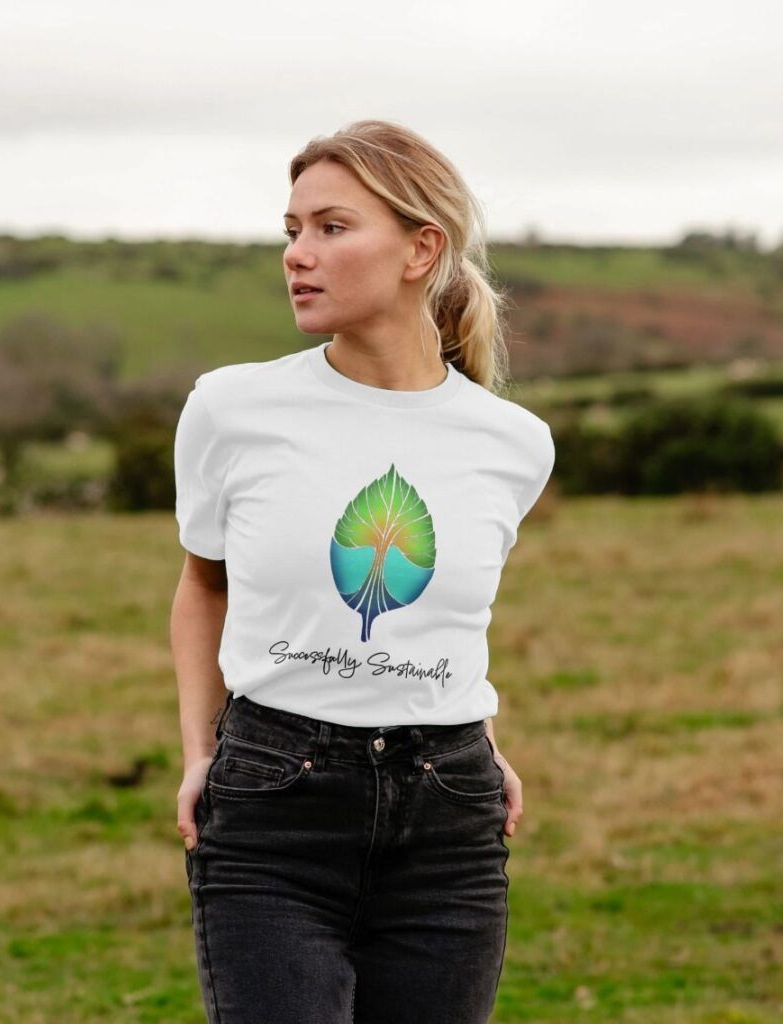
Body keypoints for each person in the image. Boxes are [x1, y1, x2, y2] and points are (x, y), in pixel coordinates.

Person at [170, 118, 556, 1024]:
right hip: (274, 805)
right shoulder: (233, 407)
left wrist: (475, 743)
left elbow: (456, 620)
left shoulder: (513, 444)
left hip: (448, 817)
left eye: (331, 228)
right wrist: (200, 753)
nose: (297, 255)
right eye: (291, 230)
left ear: (423, 248)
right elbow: (202, 587)